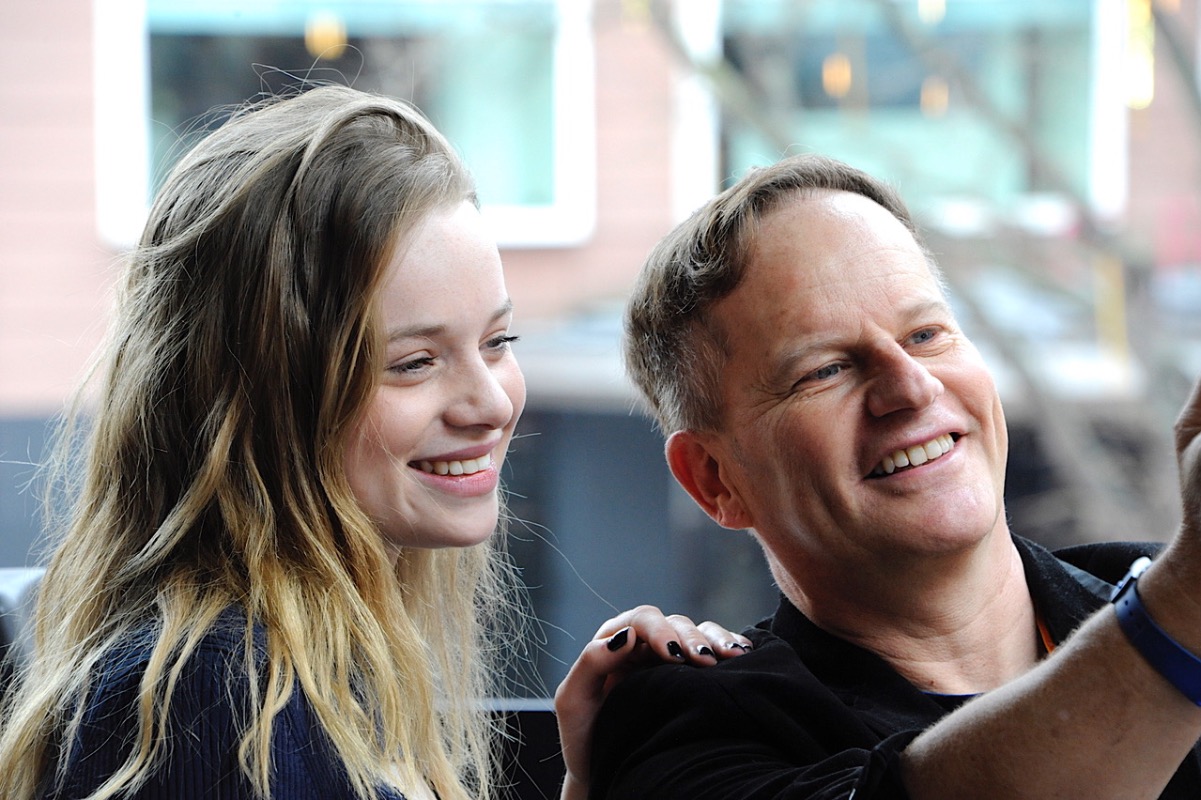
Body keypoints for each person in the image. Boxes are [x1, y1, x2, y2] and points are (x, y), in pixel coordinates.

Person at [0, 85, 750, 800]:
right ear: (264, 400)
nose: (493, 404)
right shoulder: (219, 696)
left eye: (498, 341)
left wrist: (592, 775)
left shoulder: (303, 678)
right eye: (414, 362)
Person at [590, 153, 1201, 799]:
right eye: (824, 370)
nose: (911, 386)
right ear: (715, 479)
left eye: (926, 334)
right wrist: (1183, 606)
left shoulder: (1147, 584)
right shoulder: (688, 728)